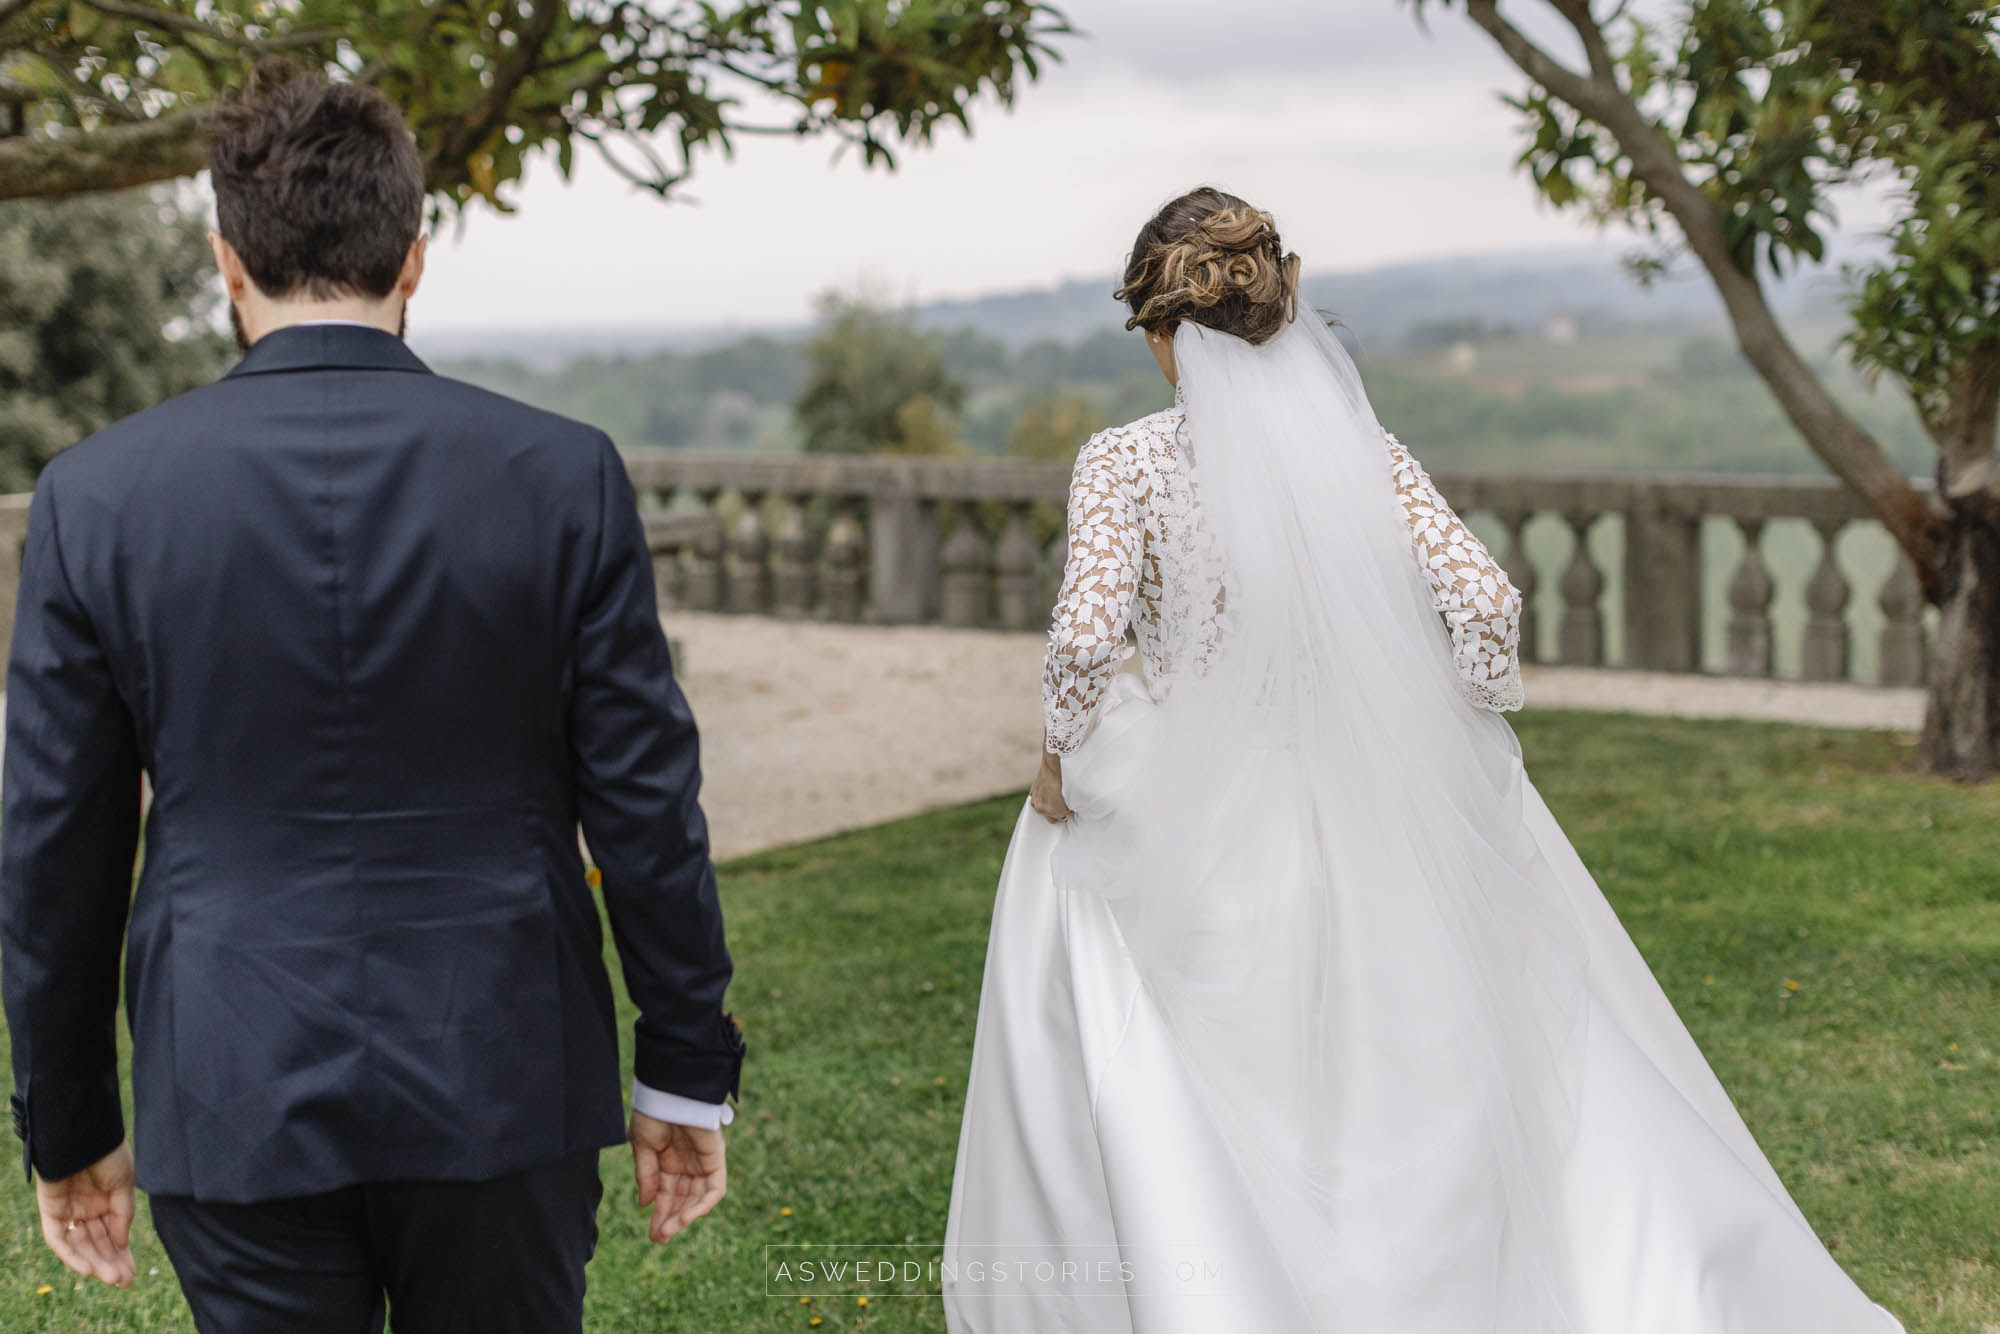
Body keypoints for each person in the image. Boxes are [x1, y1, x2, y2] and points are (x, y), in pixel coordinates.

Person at [941, 186, 1902, 1333]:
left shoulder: (1123, 463)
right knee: (1429, 1054)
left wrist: (1057, 758)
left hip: (1204, 811)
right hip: (1371, 801)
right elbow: (1484, 600)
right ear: (1282, 302)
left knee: (1096, 926)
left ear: (1160, 333)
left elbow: (1084, 639)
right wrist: (1460, 718)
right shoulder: (1364, 452)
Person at [1, 61, 743, 1333]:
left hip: (229, 1075)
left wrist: (68, 1122)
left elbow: (55, 846)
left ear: (227, 262)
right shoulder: (562, 475)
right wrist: (681, 1065)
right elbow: (644, 806)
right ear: (414, 255)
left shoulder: (98, 496)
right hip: (504, 1065)